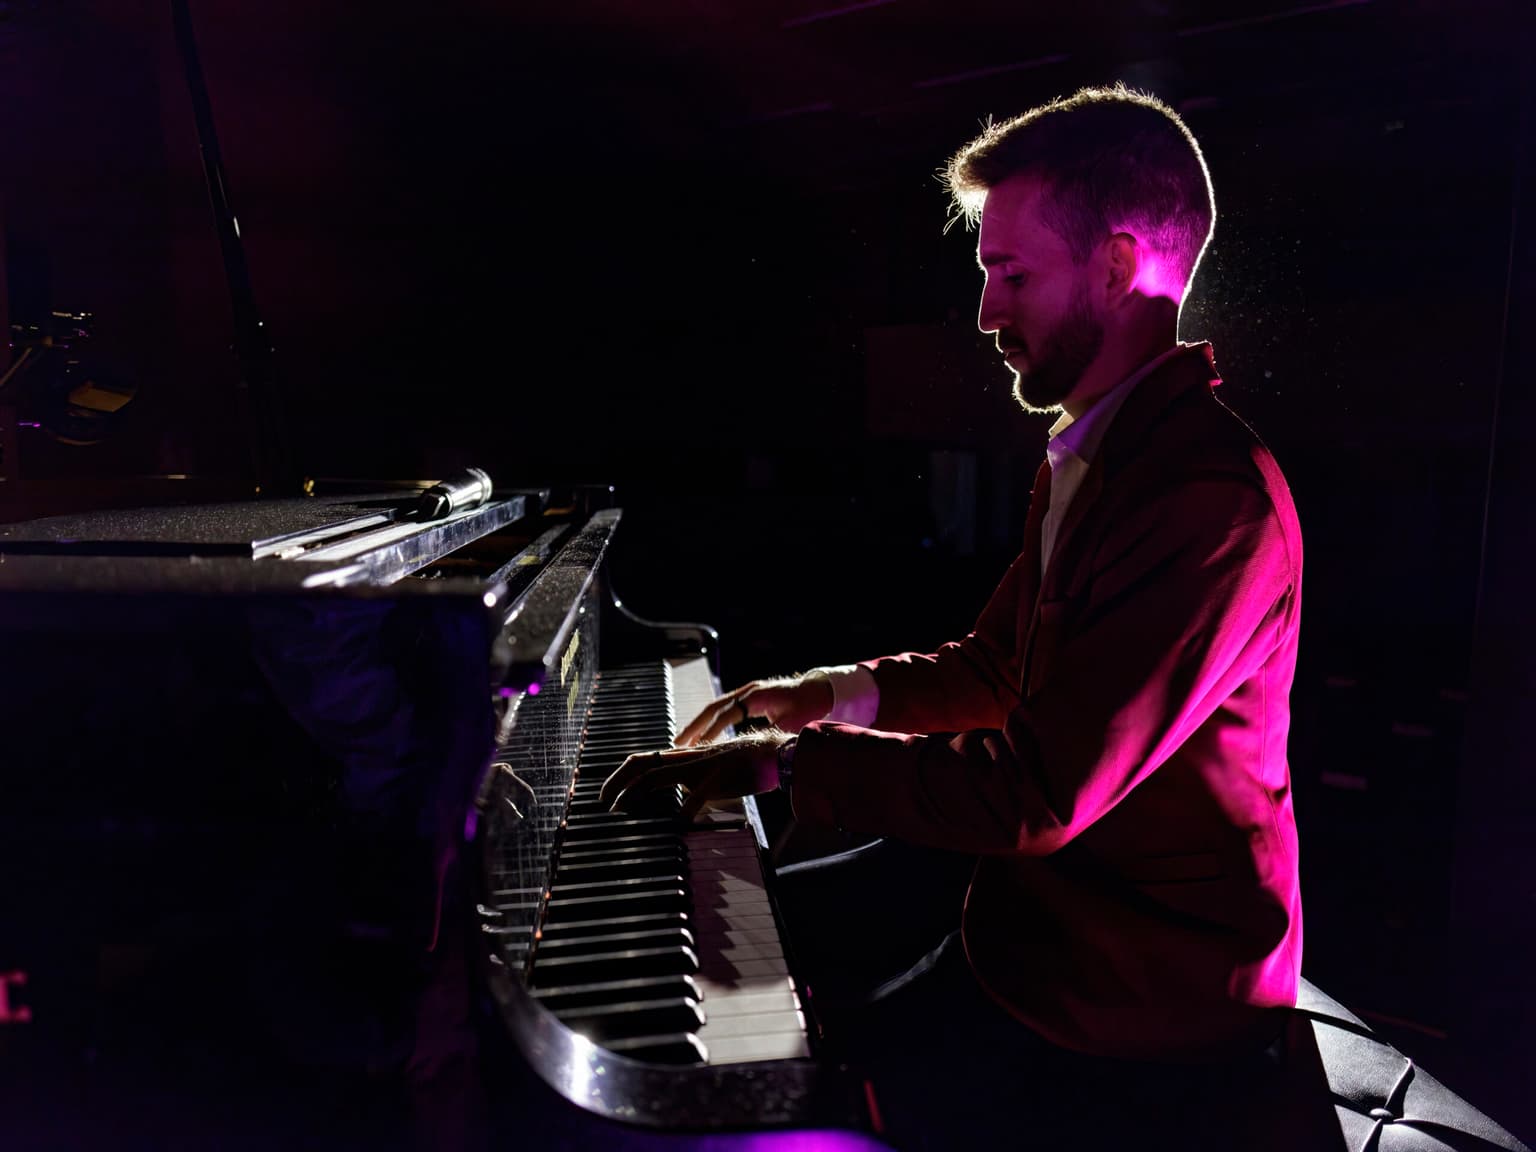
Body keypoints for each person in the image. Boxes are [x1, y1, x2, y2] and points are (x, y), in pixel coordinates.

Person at [600, 83, 1303, 1148]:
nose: (985, 312)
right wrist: (822, 698)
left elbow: (1039, 794)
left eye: (1011, 274)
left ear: (1115, 269)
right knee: (755, 933)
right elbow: (995, 663)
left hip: (1138, 995)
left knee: (785, 1105)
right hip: (1039, 924)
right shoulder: (1098, 452)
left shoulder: (1205, 500)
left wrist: (782, 764)